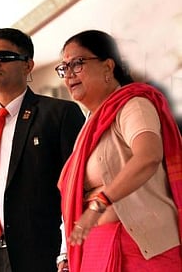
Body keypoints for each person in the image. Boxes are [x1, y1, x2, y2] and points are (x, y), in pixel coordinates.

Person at [0, 28, 84, 272]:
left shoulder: (58, 115)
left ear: (28, 65)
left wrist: (68, 251)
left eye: (3, 56)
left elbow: (78, 188)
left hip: (40, 257)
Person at [56, 30, 182, 271]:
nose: (69, 73)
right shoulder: (88, 128)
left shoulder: (134, 105)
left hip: (141, 247)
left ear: (108, 67)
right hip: (95, 247)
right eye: (64, 67)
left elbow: (148, 156)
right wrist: (67, 254)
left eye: (78, 63)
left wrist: (99, 203)